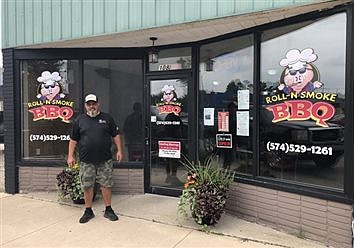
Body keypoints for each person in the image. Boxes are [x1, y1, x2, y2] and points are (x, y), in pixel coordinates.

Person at [67, 94, 123, 224]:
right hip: (86, 160)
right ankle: (88, 211)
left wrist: (119, 150)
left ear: (98, 104)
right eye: (89, 104)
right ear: (85, 106)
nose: (91, 106)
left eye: (94, 103)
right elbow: (73, 140)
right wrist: (70, 156)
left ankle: (108, 209)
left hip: (105, 159)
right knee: (87, 186)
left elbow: (116, 135)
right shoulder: (80, 120)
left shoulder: (107, 118)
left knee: (106, 185)